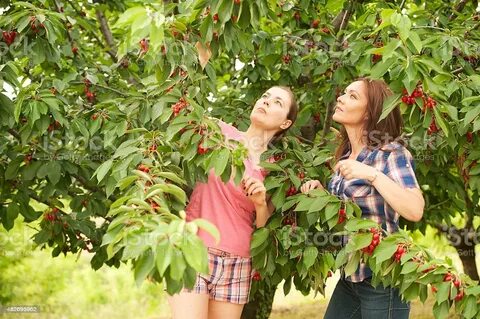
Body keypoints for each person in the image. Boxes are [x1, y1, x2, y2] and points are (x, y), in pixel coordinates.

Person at [169, 86, 298, 319]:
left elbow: (264, 231)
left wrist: (260, 203)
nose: (266, 102)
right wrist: (201, 60)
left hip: (237, 262)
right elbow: (179, 107)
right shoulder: (219, 132)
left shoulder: (277, 170)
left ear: (285, 124)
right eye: (265, 96)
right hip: (193, 247)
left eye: (278, 102)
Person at [301, 78, 424, 319]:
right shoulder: (346, 155)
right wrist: (322, 195)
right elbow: (351, 211)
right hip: (350, 277)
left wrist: (373, 175)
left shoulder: (390, 153)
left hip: (382, 279)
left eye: (352, 96)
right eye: (343, 92)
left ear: (369, 113)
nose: (341, 98)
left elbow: (415, 209)